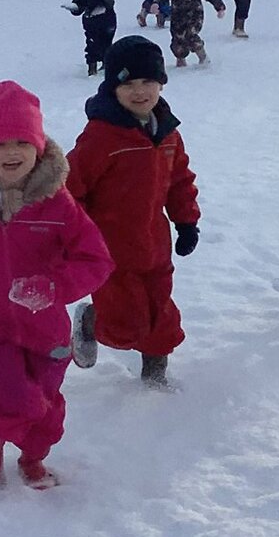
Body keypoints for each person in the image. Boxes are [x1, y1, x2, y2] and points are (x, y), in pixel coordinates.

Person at [0, 81, 115, 497]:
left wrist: (53, 287)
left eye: (21, 142)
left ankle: (33, 457)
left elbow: (97, 260)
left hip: (44, 326)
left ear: (38, 145)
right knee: (15, 395)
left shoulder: (57, 204)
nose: (11, 153)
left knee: (47, 406)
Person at [66, 36, 201, 387]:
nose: (139, 92)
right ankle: (91, 322)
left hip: (155, 243)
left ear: (161, 83)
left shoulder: (168, 133)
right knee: (125, 325)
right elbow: (69, 188)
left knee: (162, 315)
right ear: (113, 87)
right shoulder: (101, 138)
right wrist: (76, 237)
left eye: (148, 82)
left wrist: (186, 220)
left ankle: (155, 381)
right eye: (128, 84)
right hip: (111, 252)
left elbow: (179, 179)